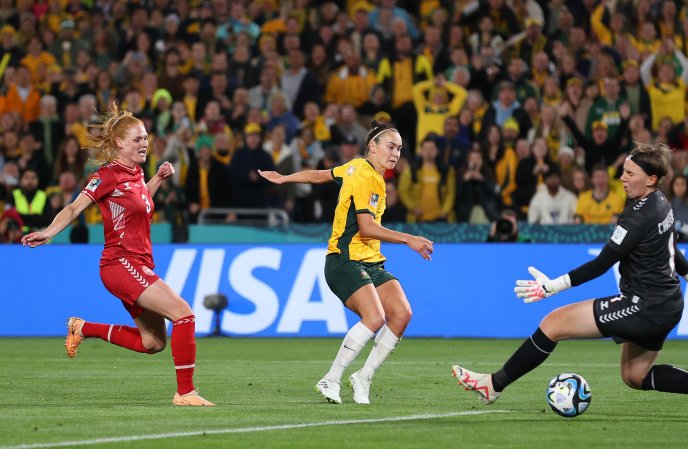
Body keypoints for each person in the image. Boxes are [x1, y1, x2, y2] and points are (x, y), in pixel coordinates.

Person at [452, 142, 688, 414]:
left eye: (629, 173)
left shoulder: (638, 217)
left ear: (651, 179)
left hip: (645, 306)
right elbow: (671, 248)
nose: (622, 178)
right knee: (635, 376)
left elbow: (602, 263)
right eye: (623, 171)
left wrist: (552, 287)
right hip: (668, 304)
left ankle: (493, 385)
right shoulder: (661, 202)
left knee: (553, 323)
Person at [21, 100, 214, 407]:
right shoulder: (106, 175)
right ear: (120, 142)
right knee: (184, 314)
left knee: (153, 343)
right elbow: (74, 207)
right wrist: (49, 232)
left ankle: (83, 328)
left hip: (137, 264)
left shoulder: (136, 174)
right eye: (138, 139)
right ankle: (185, 393)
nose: (145, 144)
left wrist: (158, 181)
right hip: (120, 263)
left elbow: (138, 202)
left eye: (147, 139)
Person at [259, 120, 434, 405]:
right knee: (375, 317)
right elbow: (366, 227)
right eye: (390, 146)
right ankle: (331, 378)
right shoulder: (365, 176)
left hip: (370, 261)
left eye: (399, 148)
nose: (395, 153)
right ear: (372, 147)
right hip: (344, 259)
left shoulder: (356, 168)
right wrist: (408, 239)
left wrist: (285, 178)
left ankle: (363, 377)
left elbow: (320, 175)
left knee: (401, 313)